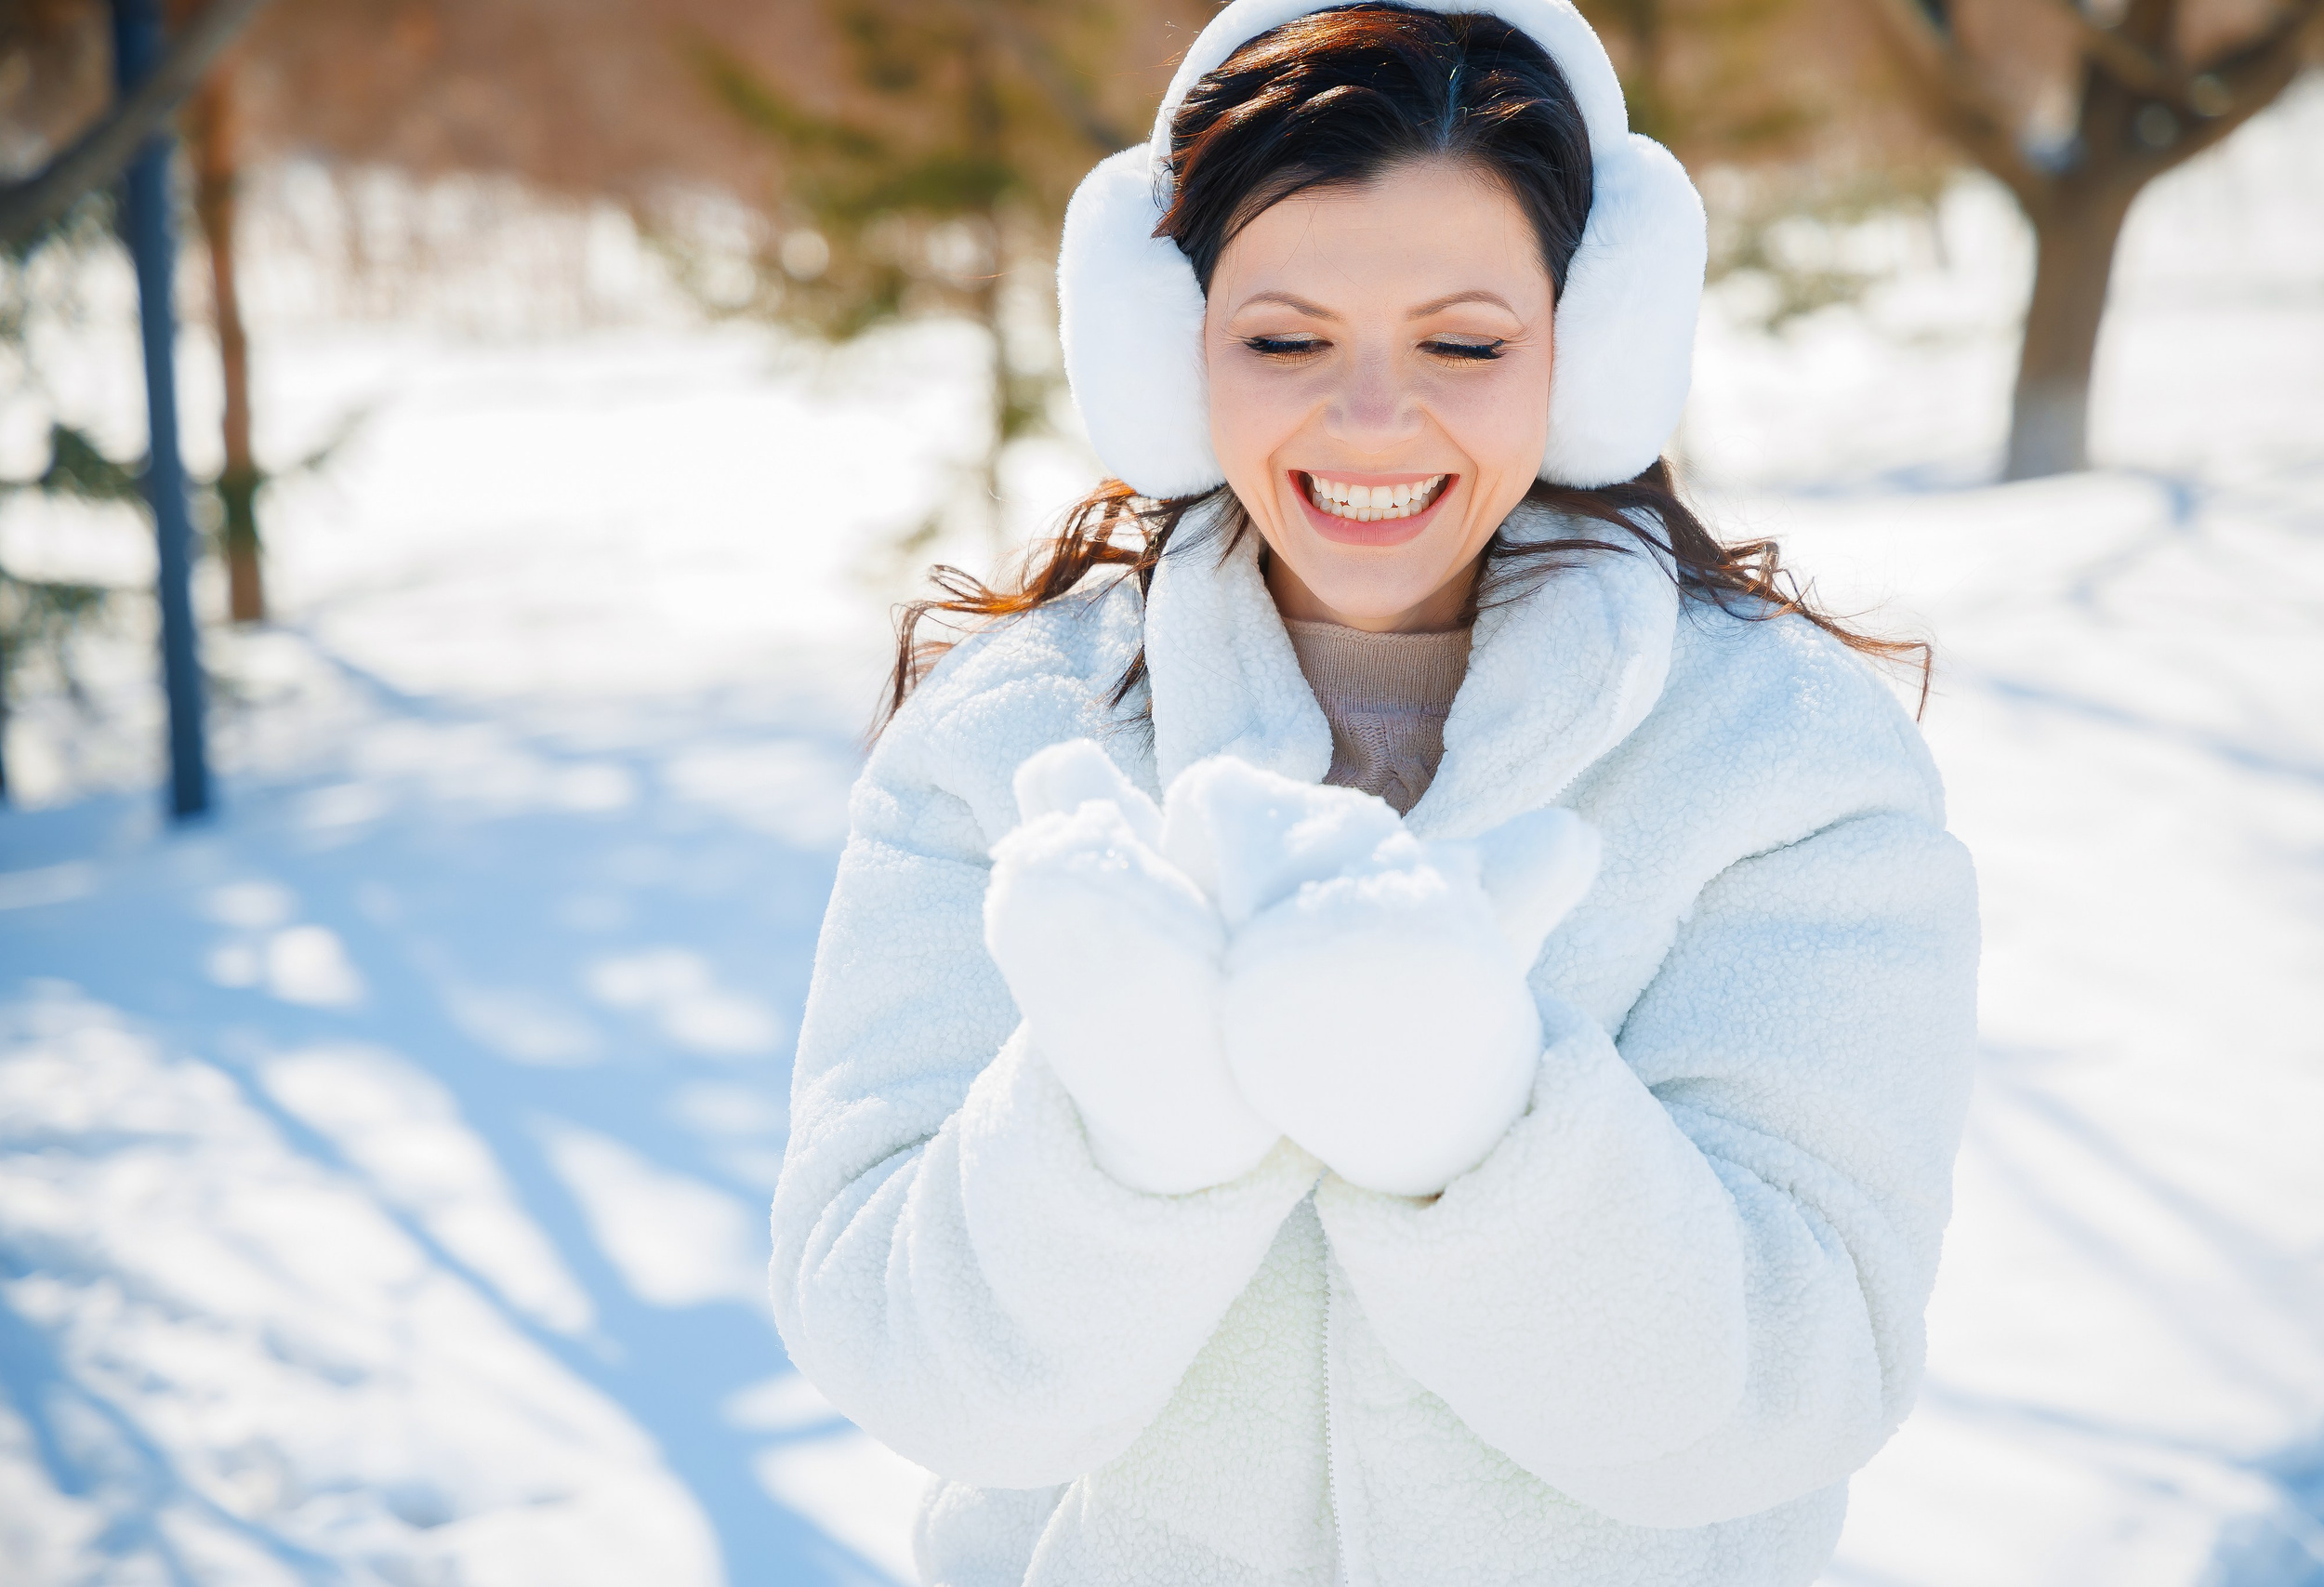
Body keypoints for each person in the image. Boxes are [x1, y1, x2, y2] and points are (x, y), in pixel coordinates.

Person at [770, 1, 1980, 1581]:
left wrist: (1473, 1128)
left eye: (1465, 343)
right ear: (1165, 347)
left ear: (1593, 344)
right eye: (1283, 340)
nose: (1368, 421)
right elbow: (892, 1350)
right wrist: (1128, 1136)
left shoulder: (1783, 762)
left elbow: (1797, 1381)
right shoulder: (1012, 744)